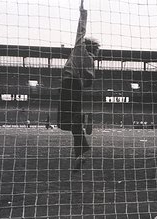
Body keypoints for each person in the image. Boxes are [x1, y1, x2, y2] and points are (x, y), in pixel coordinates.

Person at [58, 0, 100, 171]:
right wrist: (83, 79)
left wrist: (83, 13)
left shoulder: (78, 49)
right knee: (70, 123)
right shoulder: (91, 62)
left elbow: (80, 31)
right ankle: (81, 152)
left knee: (62, 123)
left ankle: (82, 120)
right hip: (77, 89)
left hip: (68, 85)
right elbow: (90, 81)